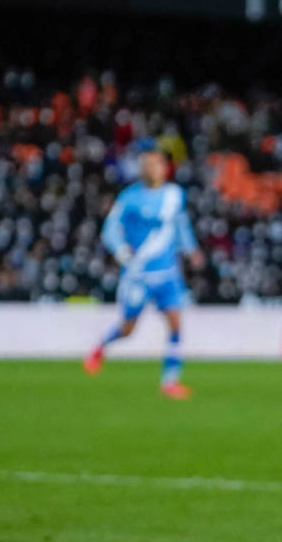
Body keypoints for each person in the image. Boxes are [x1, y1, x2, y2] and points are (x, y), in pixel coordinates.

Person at [83, 150, 202, 398]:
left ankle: (170, 381)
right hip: (139, 274)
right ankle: (100, 347)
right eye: (147, 165)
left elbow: (180, 225)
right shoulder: (130, 198)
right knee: (128, 329)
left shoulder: (173, 195)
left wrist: (191, 250)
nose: (152, 169)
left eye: (156, 164)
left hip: (168, 272)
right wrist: (121, 252)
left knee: (176, 323)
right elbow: (110, 229)